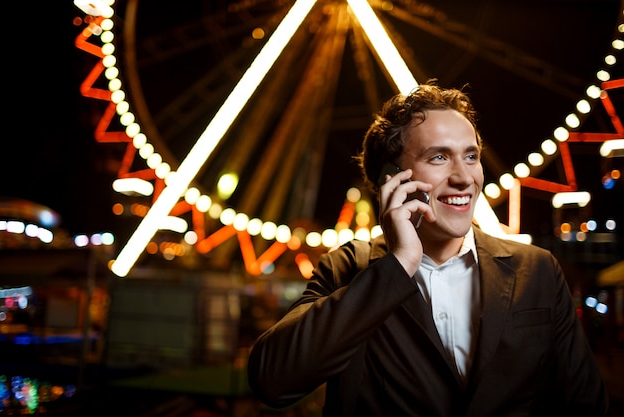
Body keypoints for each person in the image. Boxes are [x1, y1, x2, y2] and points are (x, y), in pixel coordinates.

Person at [246, 79, 609, 416]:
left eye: (470, 156)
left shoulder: (537, 269)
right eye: (439, 157)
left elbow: (587, 405)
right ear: (392, 181)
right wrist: (398, 265)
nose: (464, 178)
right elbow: (272, 381)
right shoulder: (347, 268)